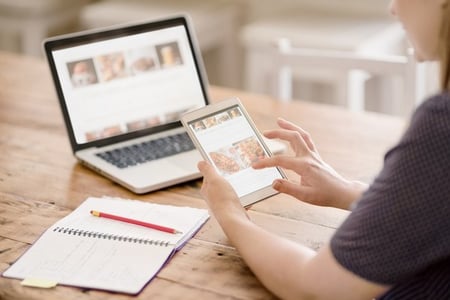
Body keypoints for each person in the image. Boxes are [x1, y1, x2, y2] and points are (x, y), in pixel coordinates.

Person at [197, 0, 450, 299]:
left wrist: (228, 212)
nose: (393, 8)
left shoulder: (440, 124)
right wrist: (347, 191)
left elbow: (317, 287)